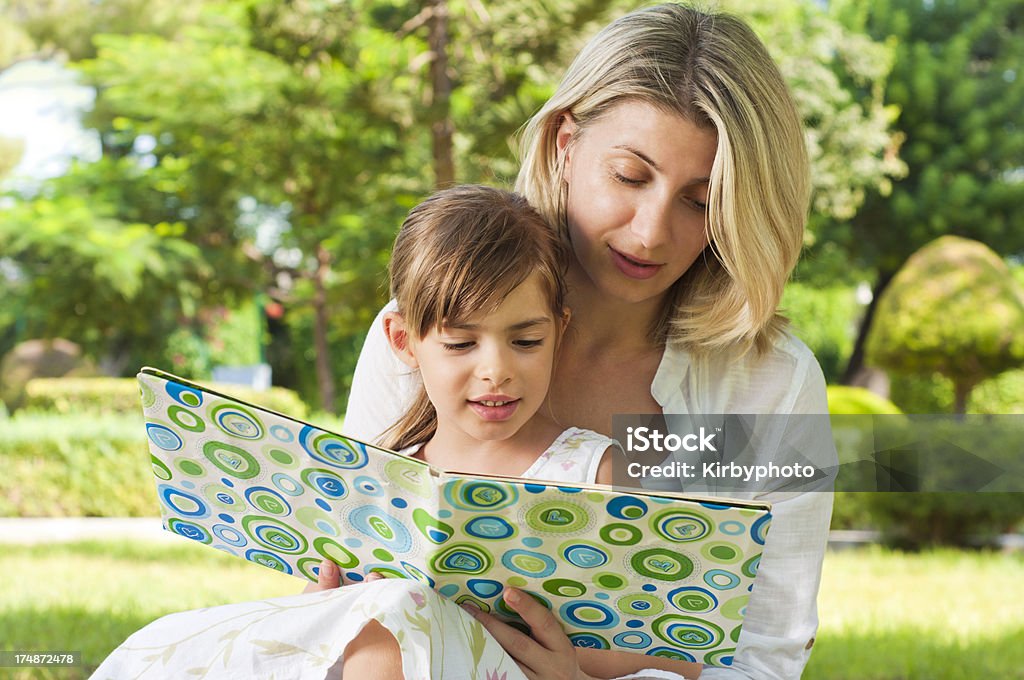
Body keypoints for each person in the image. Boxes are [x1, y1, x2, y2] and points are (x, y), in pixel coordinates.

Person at [330, 4, 835, 680]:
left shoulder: (768, 386)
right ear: (566, 146)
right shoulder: (428, 331)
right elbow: (359, 561)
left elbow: (764, 660)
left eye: (700, 200)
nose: (651, 231)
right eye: (629, 176)